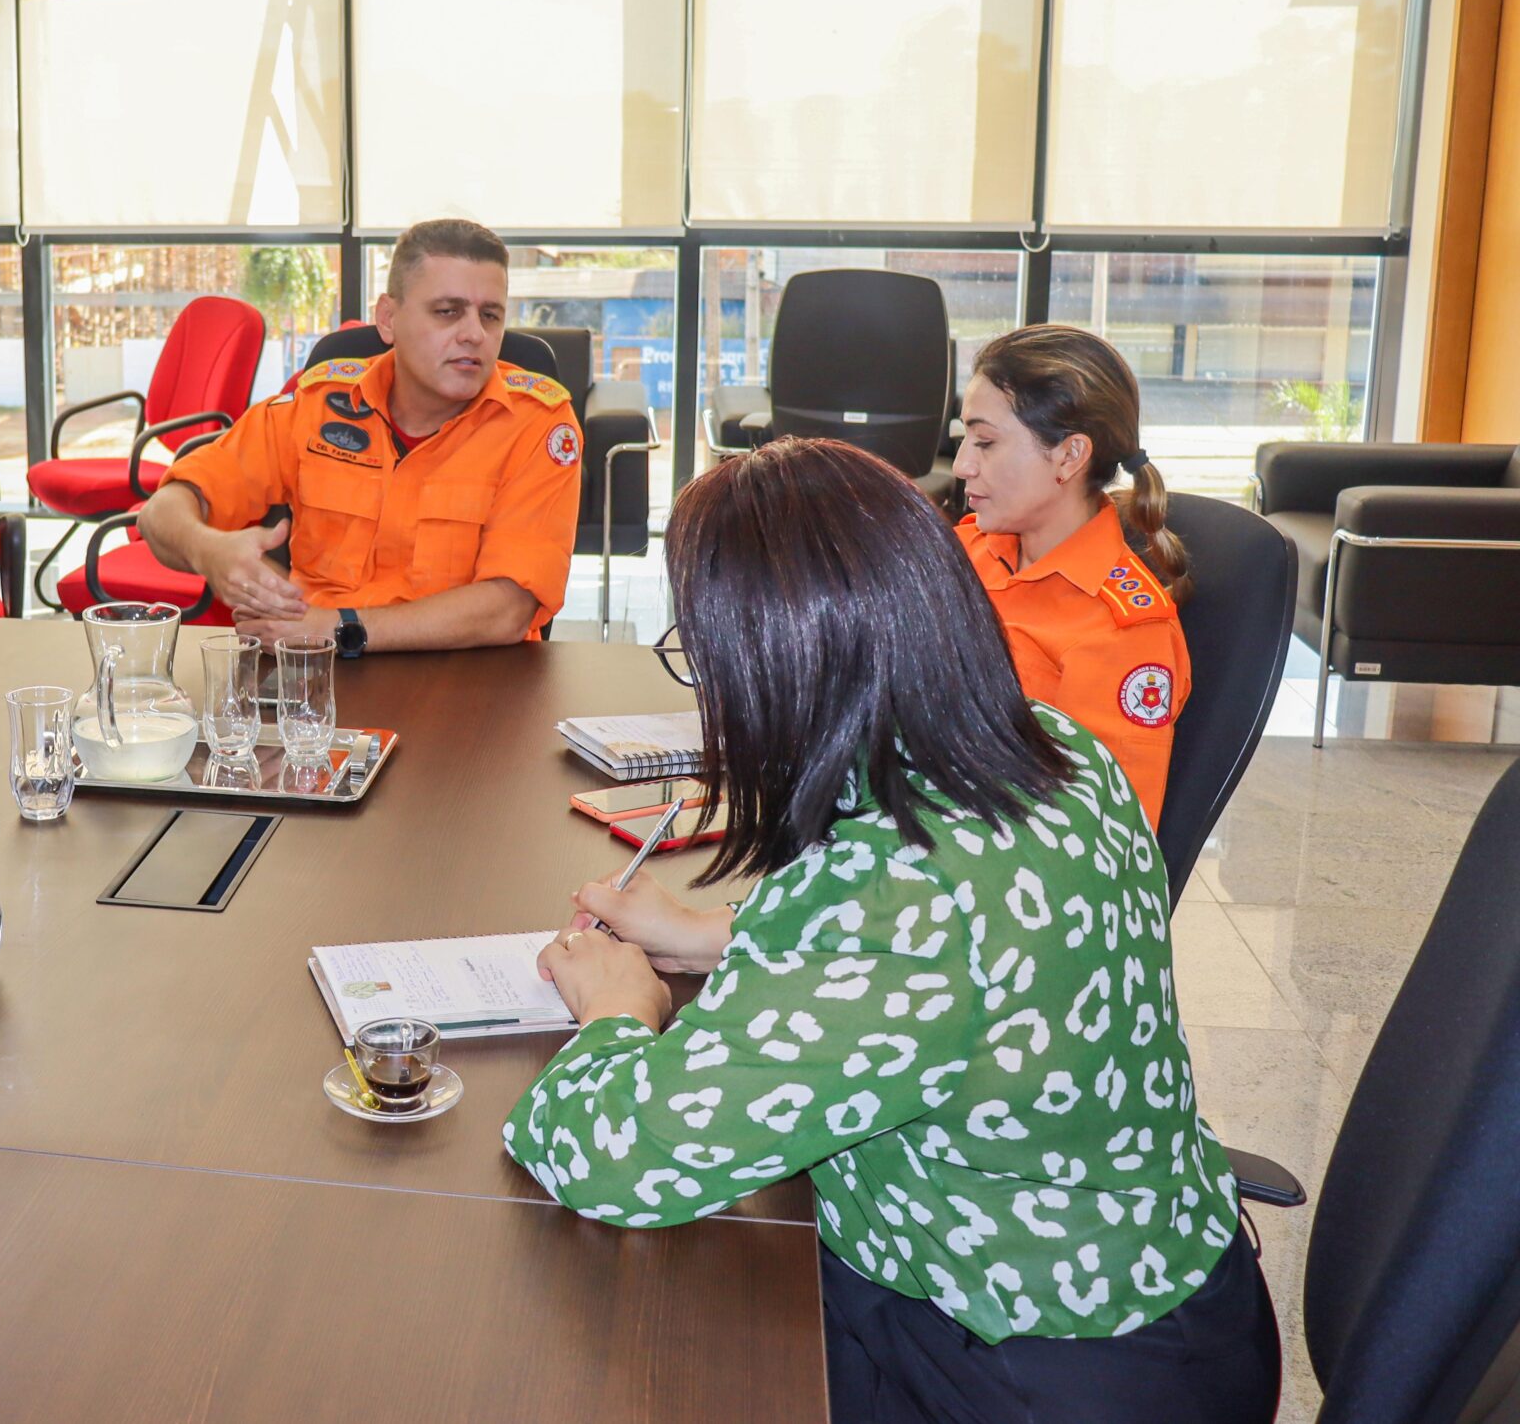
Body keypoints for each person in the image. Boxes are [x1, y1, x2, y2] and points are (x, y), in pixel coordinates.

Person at [510, 438, 1276, 1424]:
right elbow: (976, 962)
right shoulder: (1057, 751)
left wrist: (617, 1010)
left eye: (703, 656)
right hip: (1164, 1305)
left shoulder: (897, 900)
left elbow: (617, 1157)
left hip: (1032, 1365)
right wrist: (718, 935)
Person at [138, 218, 581, 654]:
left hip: (472, 689)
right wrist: (208, 551)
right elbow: (160, 514)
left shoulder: (538, 424)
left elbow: (508, 609)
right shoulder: (315, 405)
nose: (473, 334)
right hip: (317, 686)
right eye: (447, 312)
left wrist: (338, 628)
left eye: (490, 315)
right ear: (388, 319)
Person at [952, 326, 1192, 829]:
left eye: (986, 442)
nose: (961, 466)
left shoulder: (1123, 632)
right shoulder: (969, 549)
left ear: (1069, 456)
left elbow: (1097, 832)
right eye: (964, 440)